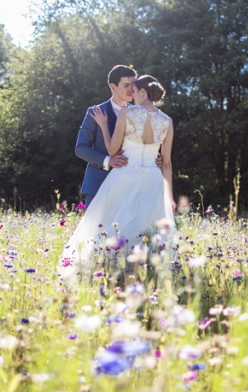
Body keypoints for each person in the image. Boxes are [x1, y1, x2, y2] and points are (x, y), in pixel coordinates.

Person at [58, 75, 177, 282]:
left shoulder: (127, 112)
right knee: (146, 226)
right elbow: (166, 163)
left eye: (135, 90)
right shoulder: (167, 121)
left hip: (126, 174)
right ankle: (145, 273)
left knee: (111, 223)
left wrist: (104, 126)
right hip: (153, 179)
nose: (132, 94)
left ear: (142, 92)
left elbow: (113, 150)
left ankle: (108, 269)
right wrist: (170, 196)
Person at [74, 65, 136, 208]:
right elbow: (81, 148)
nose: (131, 89)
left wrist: (154, 158)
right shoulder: (95, 112)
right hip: (99, 183)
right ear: (113, 87)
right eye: (126, 85)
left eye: (133, 85)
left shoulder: (139, 113)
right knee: (95, 230)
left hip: (130, 186)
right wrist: (108, 161)